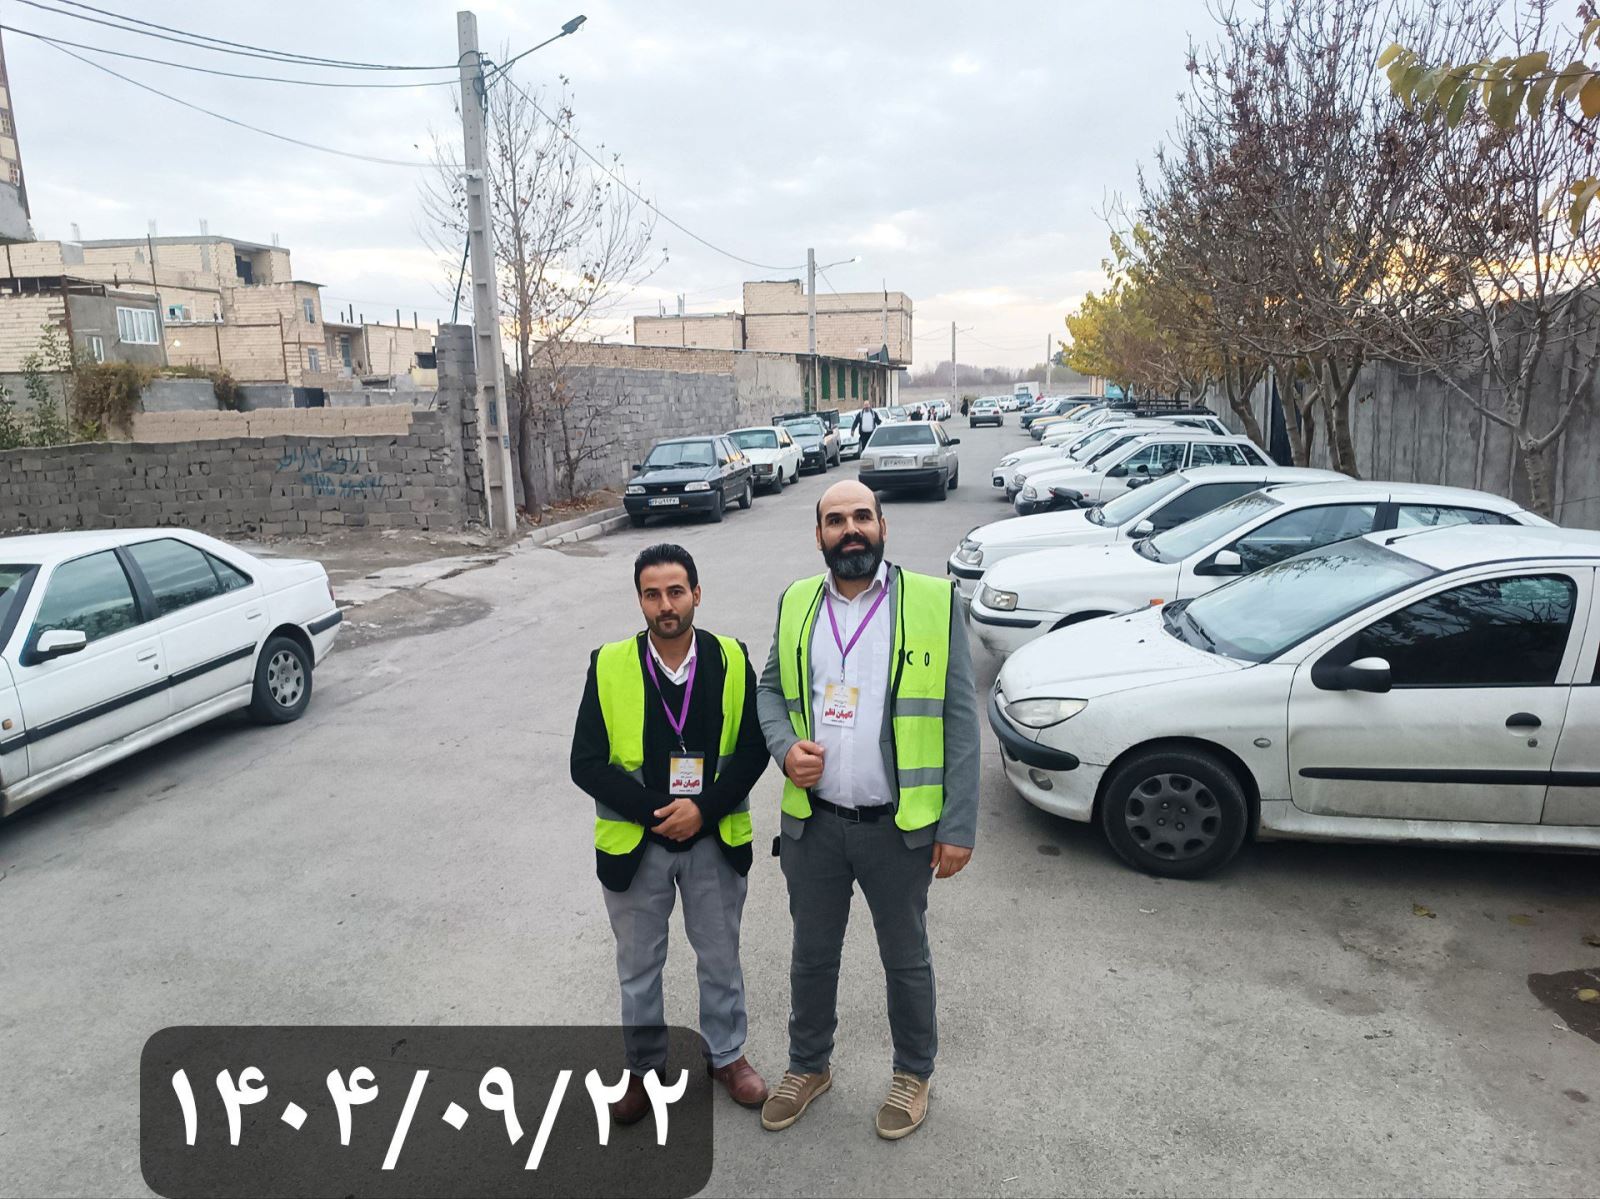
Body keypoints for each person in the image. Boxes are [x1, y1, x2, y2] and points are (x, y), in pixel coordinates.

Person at [755, 480, 980, 1141]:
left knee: (905, 958)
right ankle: (808, 1065)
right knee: (811, 955)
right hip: (815, 823)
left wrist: (958, 824)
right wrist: (784, 749)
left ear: (883, 526)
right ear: (818, 535)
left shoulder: (934, 601)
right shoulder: (797, 601)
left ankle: (913, 1072)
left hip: (897, 826)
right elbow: (770, 691)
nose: (849, 529)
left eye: (861, 516)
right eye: (835, 520)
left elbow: (961, 720)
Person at [570, 543, 771, 1123]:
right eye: (652, 594)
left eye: (676, 592)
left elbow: (754, 749)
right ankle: (643, 1069)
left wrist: (702, 810)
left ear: (696, 594)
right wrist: (660, 810)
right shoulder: (609, 664)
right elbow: (585, 763)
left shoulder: (730, 658)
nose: (665, 605)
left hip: (712, 841)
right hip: (638, 848)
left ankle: (727, 1055)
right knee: (638, 967)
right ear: (640, 600)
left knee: (720, 957)